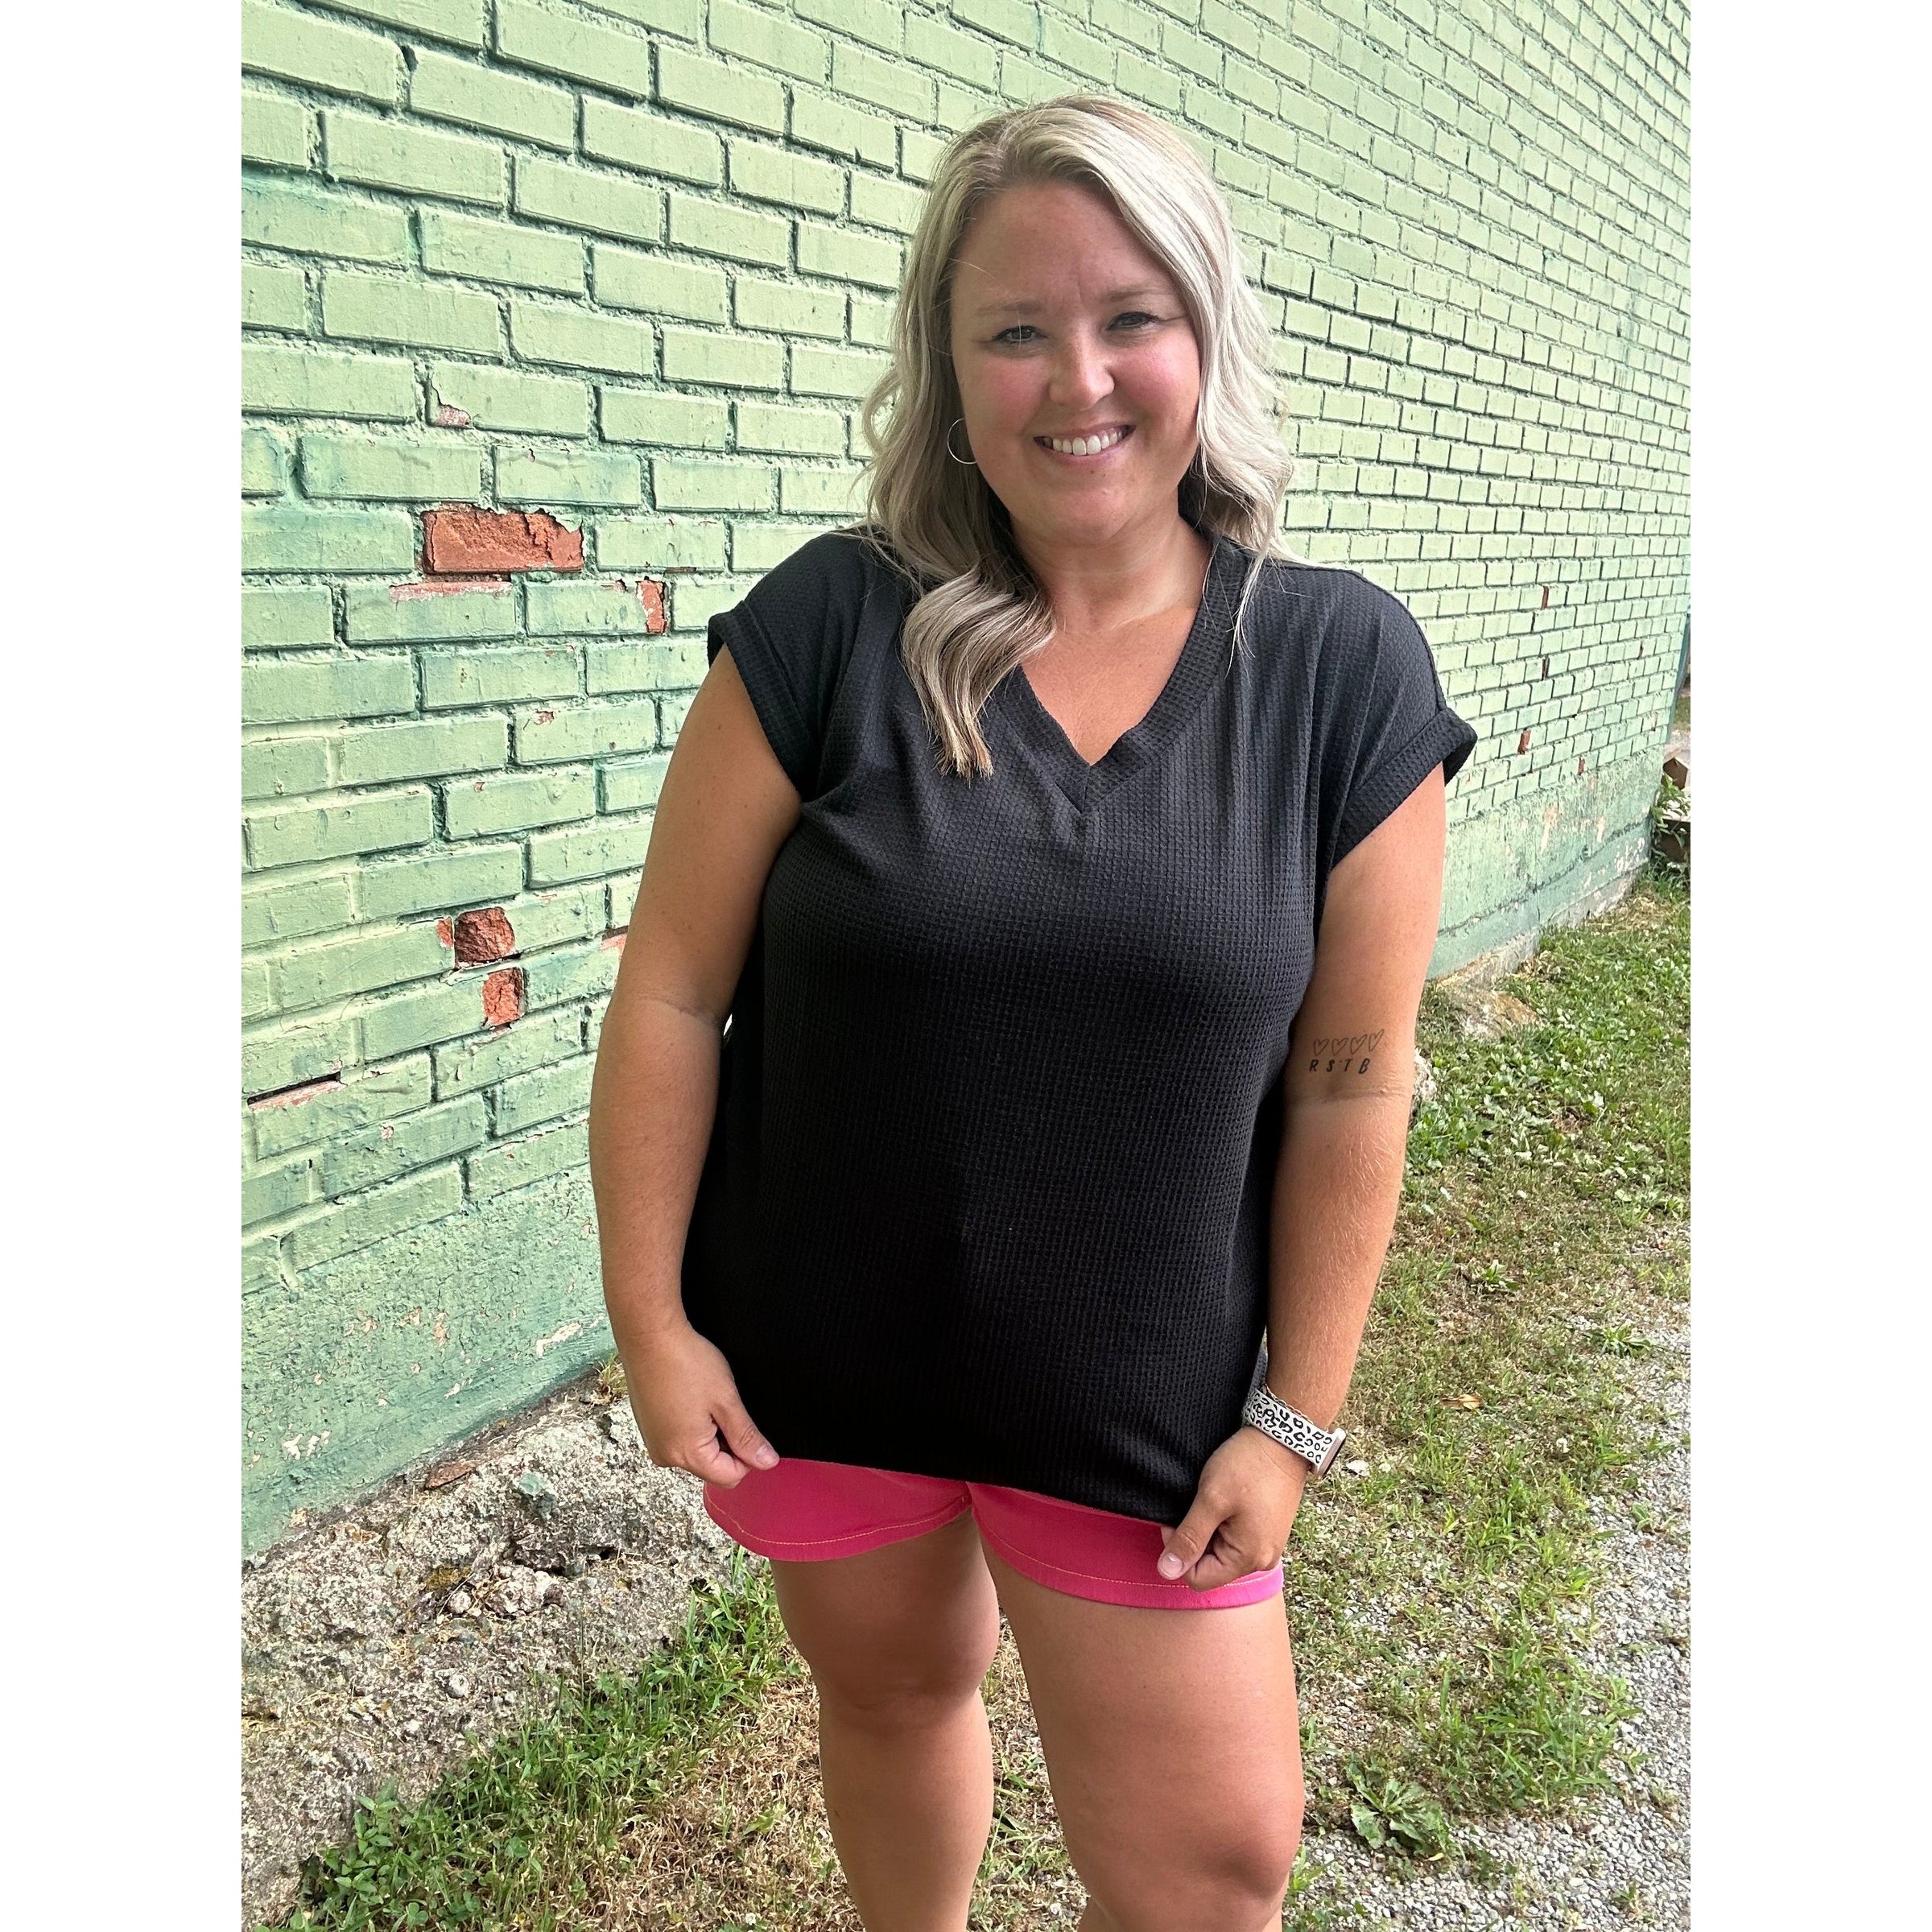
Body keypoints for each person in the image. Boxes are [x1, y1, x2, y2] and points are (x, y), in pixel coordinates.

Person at [588, 94, 1476, 1932]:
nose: (1079, 380)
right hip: (830, 1365)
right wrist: (654, 1323)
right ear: (950, 368)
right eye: (1016, 329)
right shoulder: (832, 626)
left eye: (1130, 317)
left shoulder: (1336, 670)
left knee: (1213, 1870)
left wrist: (1294, 1418)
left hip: (1149, 1411)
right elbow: (671, 990)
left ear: (1206, 335)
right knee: (895, 1697)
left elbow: (1351, 1076)